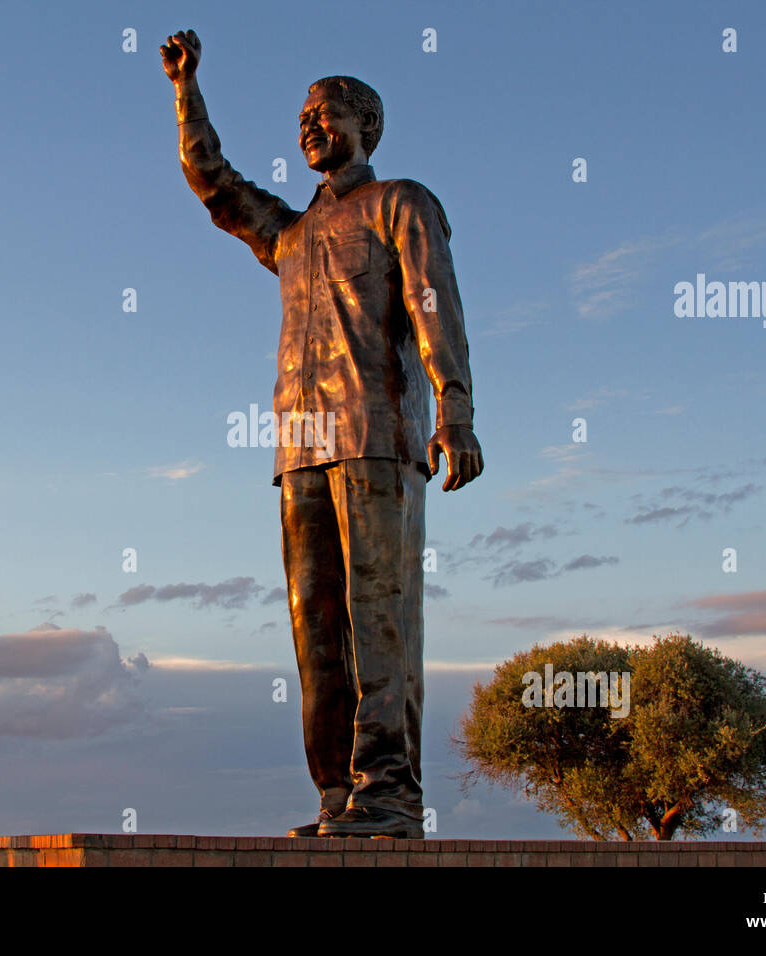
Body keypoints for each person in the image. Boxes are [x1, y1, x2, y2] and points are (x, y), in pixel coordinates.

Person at [161, 29, 483, 838]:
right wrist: (186, 89)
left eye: (327, 112)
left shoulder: (400, 203)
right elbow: (214, 183)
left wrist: (456, 411)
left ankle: (390, 795)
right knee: (316, 626)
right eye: (303, 114)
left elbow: (434, 307)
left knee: (380, 615)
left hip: (376, 435)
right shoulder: (291, 233)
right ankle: (339, 794)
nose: (309, 125)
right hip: (300, 447)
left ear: (366, 127)